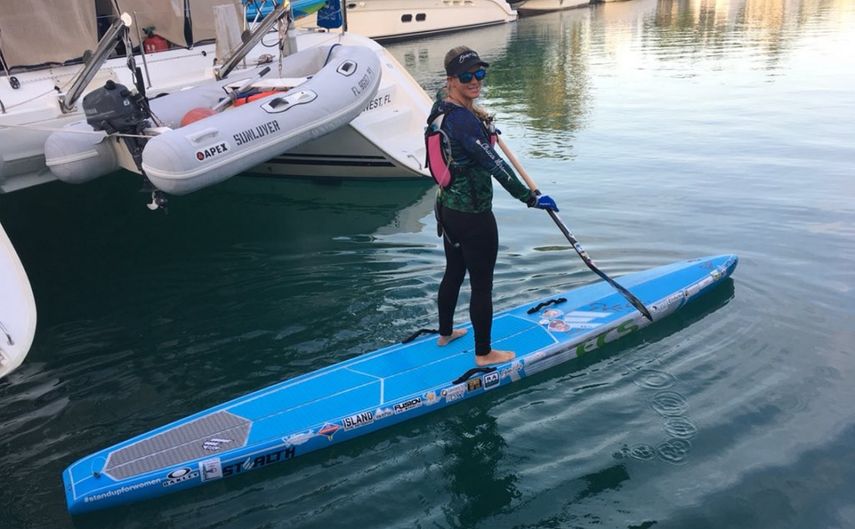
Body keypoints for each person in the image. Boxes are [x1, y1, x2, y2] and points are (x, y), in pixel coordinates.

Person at [428, 46, 559, 366]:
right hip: (473, 217)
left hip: (446, 210)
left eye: (480, 73)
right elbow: (496, 167)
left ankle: (445, 333)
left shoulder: (440, 108)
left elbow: (463, 134)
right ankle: (484, 353)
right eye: (466, 76)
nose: (475, 80)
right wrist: (530, 197)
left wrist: (484, 125)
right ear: (451, 80)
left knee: (454, 271)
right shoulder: (463, 121)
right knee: (482, 284)